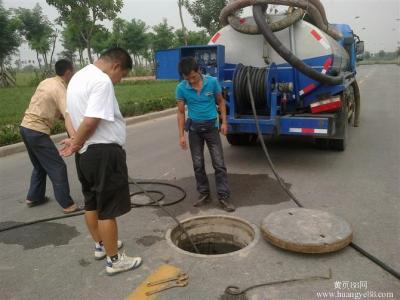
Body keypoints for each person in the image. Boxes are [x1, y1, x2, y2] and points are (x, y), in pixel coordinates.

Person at [59, 47, 142, 276]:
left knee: (92, 202)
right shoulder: (102, 81)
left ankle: (101, 245)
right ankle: (114, 260)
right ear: (116, 66)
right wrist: (76, 142)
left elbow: (68, 115)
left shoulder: (77, 77)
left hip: (85, 153)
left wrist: (76, 141)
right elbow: (91, 120)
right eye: (122, 75)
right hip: (103, 152)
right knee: (108, 208)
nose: (118, 80)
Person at [20, 59, 80, 214]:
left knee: (40, 165)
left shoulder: (46, 82)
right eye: (72, 72)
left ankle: (34, 197)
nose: (72, 75)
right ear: (68, 72)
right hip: (37, 131)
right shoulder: (60, 89)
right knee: (57, 166)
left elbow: (54, 110)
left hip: (25, 127)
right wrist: (76, 139)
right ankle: (67, 204)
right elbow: (67, 116)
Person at [176, 57, 235, 212]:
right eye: (188, 79)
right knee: (198, 164)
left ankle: (223, 196)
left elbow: (221, 102)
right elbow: (181, 112)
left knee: (219, 164)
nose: (192, 81)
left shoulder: (212, 82)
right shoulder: (181, 88)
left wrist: (224, 122)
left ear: (199, 71)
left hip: (211, 128)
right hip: (194, 130)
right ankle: (204, 194)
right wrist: (181, 135)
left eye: (194, 77)